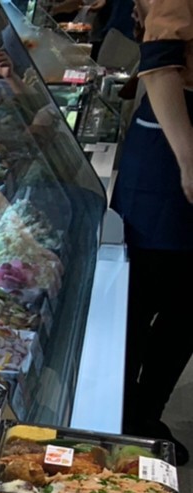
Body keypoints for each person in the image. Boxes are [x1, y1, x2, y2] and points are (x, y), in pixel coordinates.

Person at [110, 0, 193, 463]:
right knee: (142, 298)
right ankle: (119, 420)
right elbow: (160, 65)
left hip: (175, 140)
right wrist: (188, 160)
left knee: (186, 311)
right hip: (173, 140)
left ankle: (145, 416)